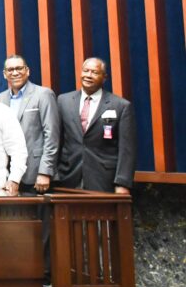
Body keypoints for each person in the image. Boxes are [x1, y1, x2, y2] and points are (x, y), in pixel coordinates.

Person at [55, 57, 135, 193]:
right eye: (85, 71)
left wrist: (123, 182)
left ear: (104, 78)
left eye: (94, 72)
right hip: (68, 176)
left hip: (103, 178)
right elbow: (57, 139)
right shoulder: (63, 101)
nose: (88, 75)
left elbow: (127, 149)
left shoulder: (120, 106)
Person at [0, 54, 60, 194]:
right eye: (10, 70)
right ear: (4, 74)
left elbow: (52, 135)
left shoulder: (43, 94)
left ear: (28, 71)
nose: (15, 72)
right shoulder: (0, 99)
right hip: (7, 175)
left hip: (36, 173)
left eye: (19, 68)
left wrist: (45, 171)